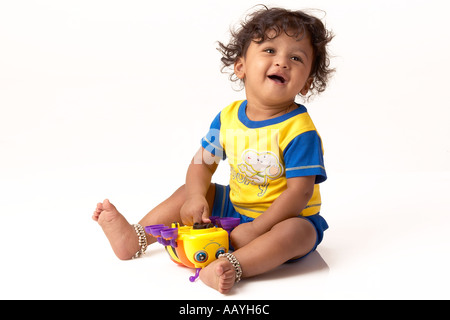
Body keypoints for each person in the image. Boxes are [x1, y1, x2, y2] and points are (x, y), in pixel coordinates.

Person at [92, 6, 334, 294]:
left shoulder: (299, 130)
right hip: (234, 208)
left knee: (298, 233)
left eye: (296, 58)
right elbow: (202, 163)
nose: (282, 62)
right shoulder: (229, 117)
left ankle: (232, 265)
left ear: (306, 83)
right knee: (189, 192)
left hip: (285, 217)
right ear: (241, 66)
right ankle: (136, 237)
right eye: (270, 50)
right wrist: (195, 197)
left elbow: (299, 193)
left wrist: (258, 229)